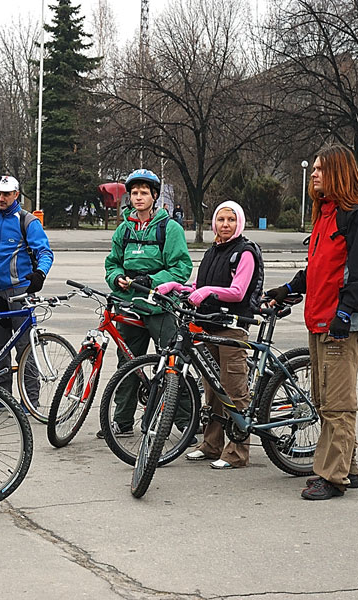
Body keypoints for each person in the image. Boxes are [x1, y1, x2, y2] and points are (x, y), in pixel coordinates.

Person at [265, 145, 358, 501]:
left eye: (320, 169)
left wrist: (344, 315)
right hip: (319, 320)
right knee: (325, 399)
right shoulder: (326, 214)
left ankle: (332, 477)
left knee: (337, 404)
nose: (314, 174)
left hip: (339, 325)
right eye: (313, 168)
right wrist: (288, 288)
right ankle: (349, 466)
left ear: (338, 173)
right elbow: (319, 269)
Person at [157, 200, 262, 470]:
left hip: (232, 326)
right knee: (212, 390)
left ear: (239, 223)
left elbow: (238, 291)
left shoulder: (244, 252)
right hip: (208, 324)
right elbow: (199, 285)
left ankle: (237, 452)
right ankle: (210, 443)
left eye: (230, 220)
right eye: (220, 220)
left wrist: (207, 292)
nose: (225, 225)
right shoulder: (213, 250)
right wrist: (179, 287)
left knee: (233, 388)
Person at [100, 168, 192, 438]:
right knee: (127, 364)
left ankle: (186, 421)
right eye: (134, 193)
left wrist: (150, 280)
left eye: (144, 192)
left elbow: (181, 268)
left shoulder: (169, 228)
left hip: (160, 306)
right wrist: (117, 279)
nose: (138, 197)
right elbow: (112, 263)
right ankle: (122, 420)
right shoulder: (124, 229)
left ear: (154, 196)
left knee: (173, 363)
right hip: (130, 305)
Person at [0, 175, 54, 410]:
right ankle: (0, 396)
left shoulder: (27, 221)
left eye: (6, 194)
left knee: (24, 347)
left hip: (20, 292)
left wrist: (40, 274)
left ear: (16, 195)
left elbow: (45, 252)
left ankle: (29, 399)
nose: (0, 198)